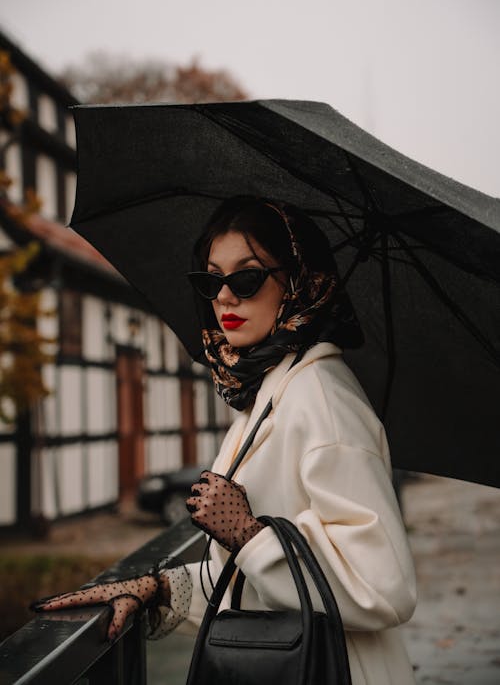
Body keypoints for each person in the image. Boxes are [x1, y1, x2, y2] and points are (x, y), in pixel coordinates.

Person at [32, 196, 417, 685]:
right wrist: (158, 589)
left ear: (298, 283)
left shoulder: (320, 397)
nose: (225, 298)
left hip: (333, 668)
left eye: (248, 278)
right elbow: (255, 577)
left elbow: (386, 587)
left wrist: (247, 535)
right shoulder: (265, 394)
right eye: (211, 280)